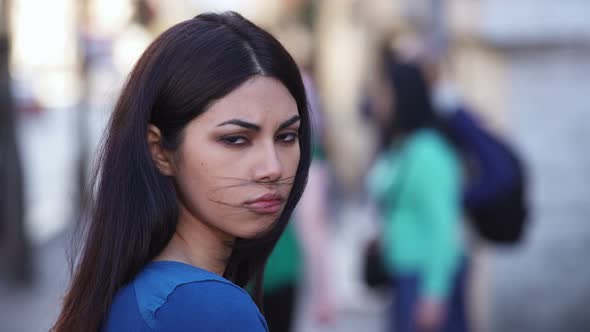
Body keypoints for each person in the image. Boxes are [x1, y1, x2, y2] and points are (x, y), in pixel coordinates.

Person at [51, 11, 311, 332]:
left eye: (286, 137)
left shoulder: (139, 295)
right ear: (160, 150)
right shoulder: (207, 309)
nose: (272, 168)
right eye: (236, 139)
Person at [366, 56, 469, 332]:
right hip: (402, 275)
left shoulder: (429, 153)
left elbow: (443, 227)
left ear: (403, 95)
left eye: (384, 92)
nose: (379, 101)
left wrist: (434, 294)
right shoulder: (401, 144)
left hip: (423, 278)